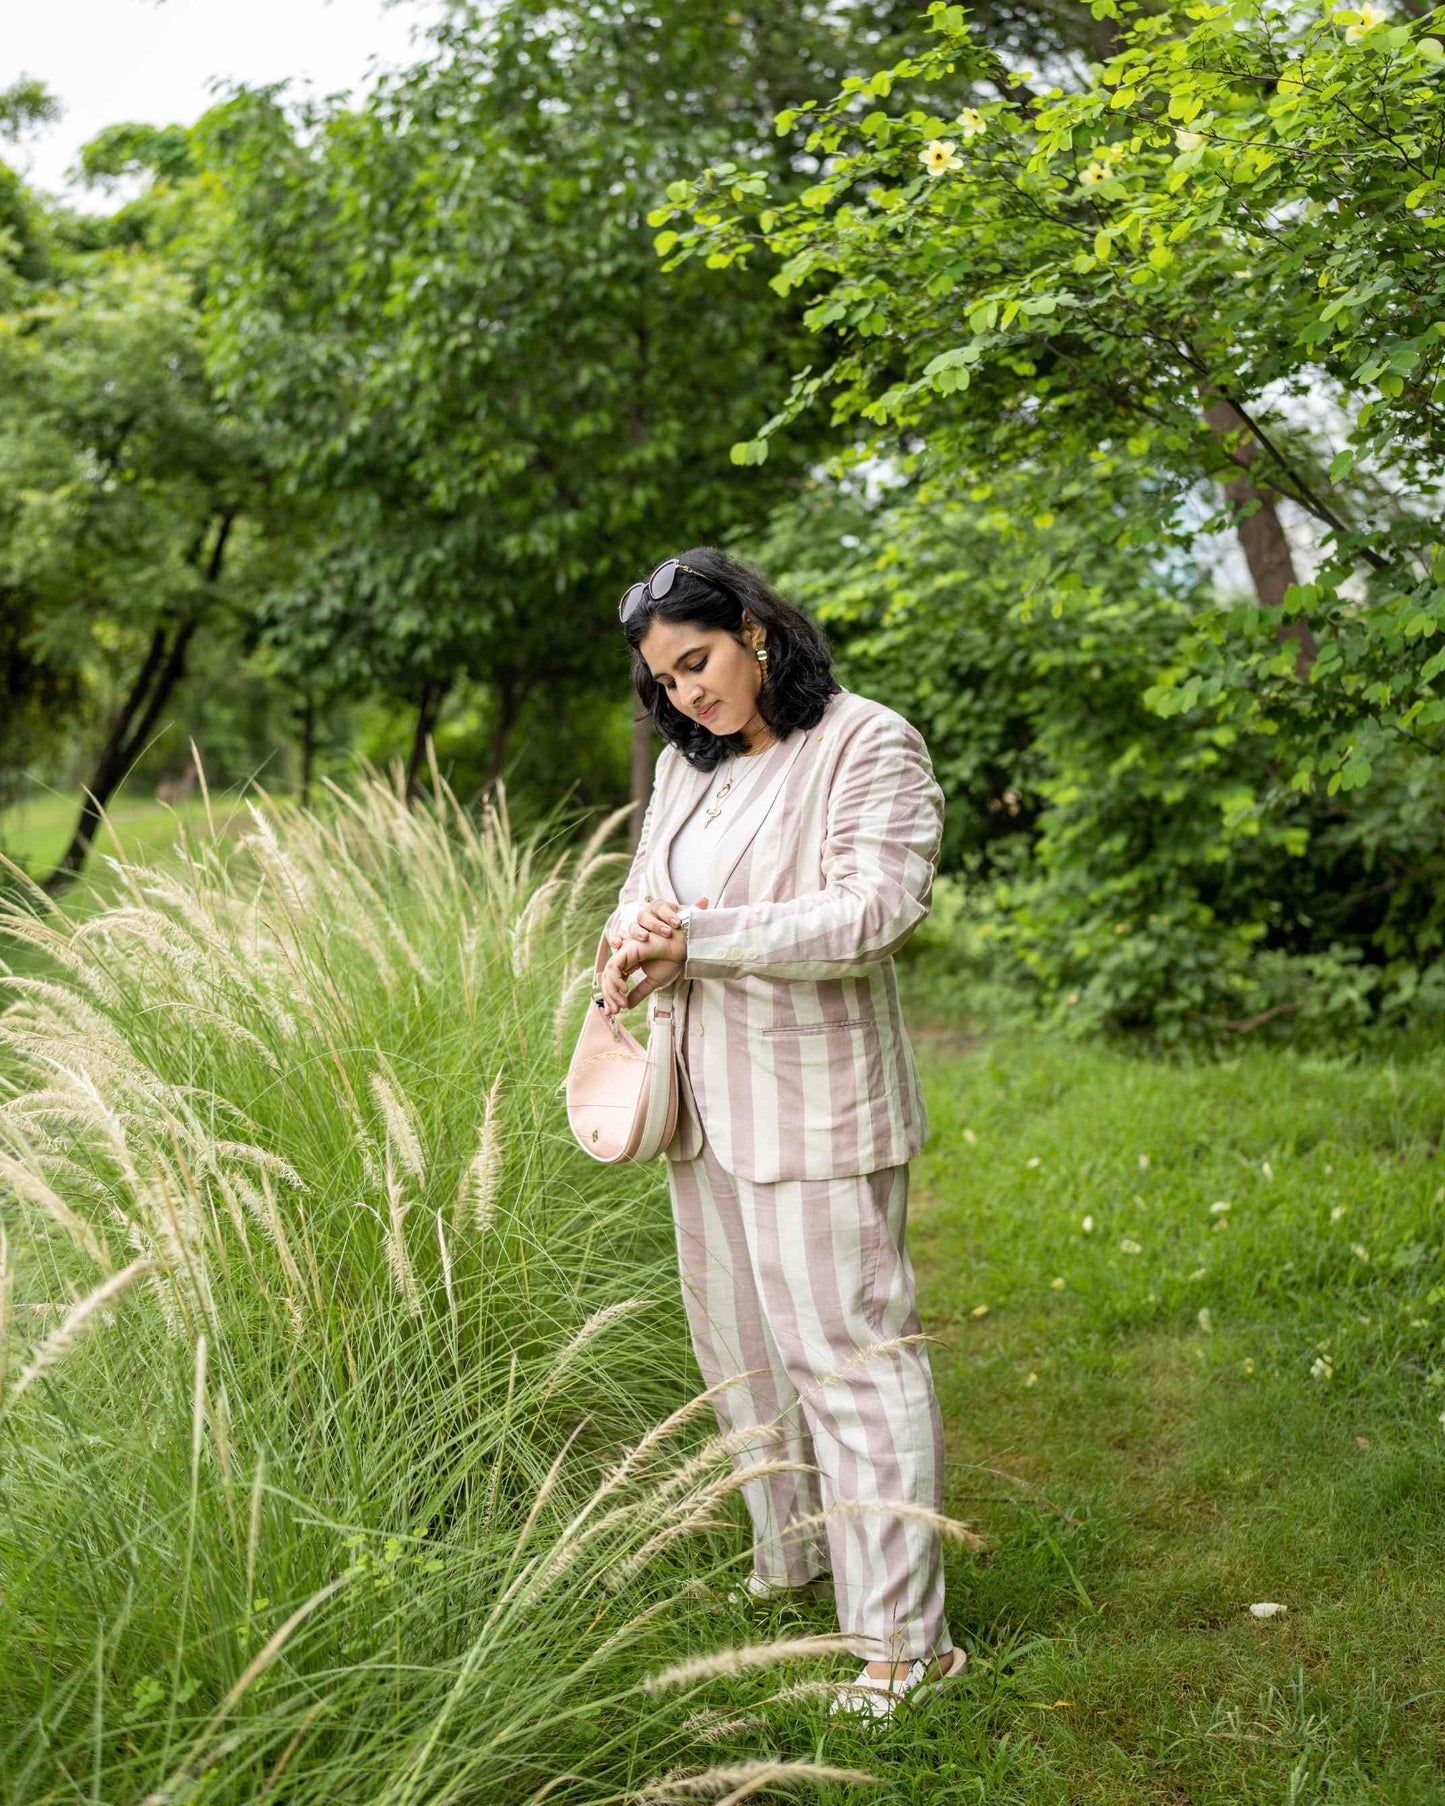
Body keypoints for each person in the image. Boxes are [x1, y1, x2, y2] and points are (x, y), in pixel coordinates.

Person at [596, 547, 965, 1721]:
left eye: (696, 664)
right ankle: (793, 1560)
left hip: (816, 1108)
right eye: (662, 684)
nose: (684, 697)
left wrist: (695, 937)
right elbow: (643, 896)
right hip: (700, 1111)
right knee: (743, 1364)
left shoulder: (866, 742)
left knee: (850, 1366)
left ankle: (908, 1646)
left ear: (754, 629)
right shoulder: (685, 772)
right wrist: (627, 949)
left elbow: (870, 913)